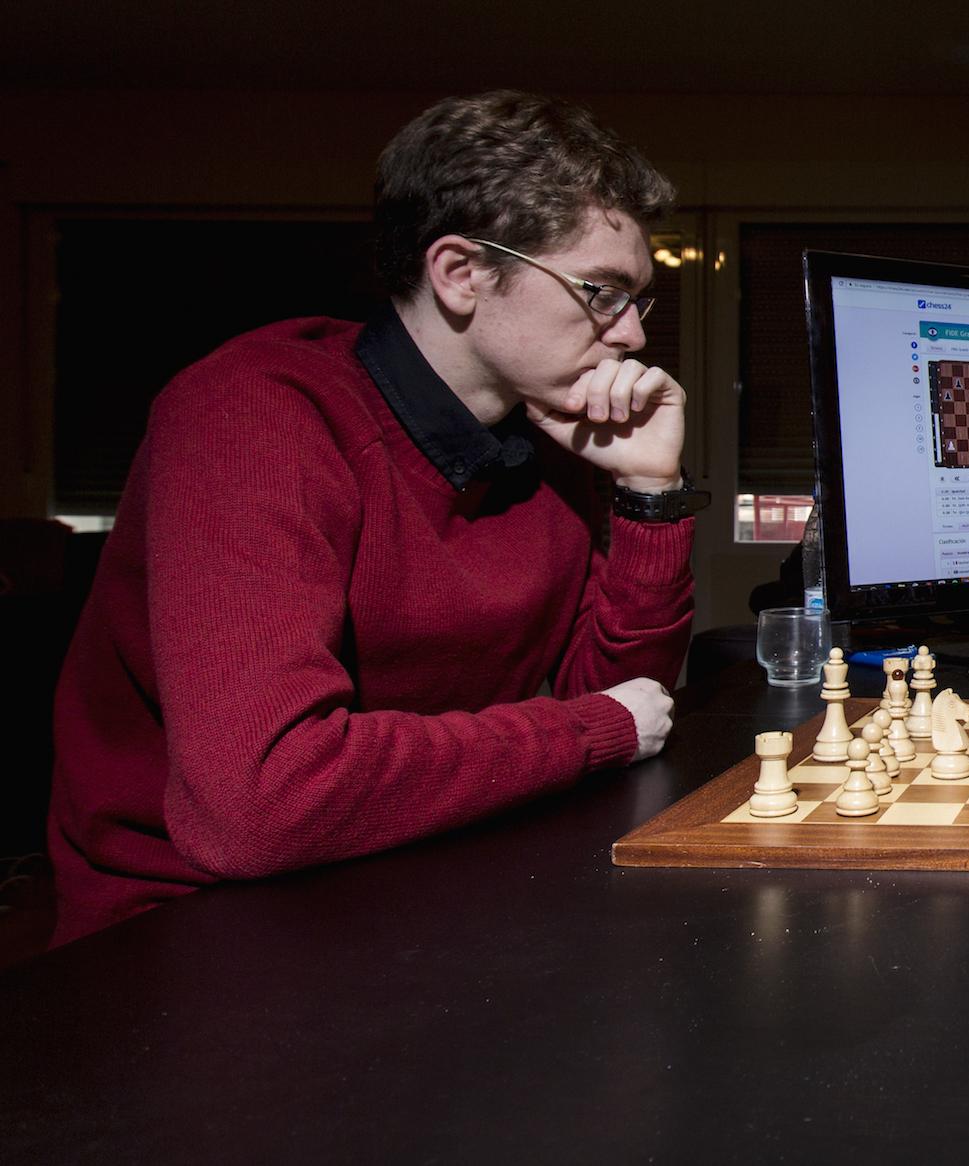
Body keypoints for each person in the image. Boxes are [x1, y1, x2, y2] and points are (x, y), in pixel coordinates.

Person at [46, 91, 701, 946]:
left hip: (417, 871)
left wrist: (650, 491)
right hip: (189, 931)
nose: (632, 339)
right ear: (461, 273)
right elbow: (258, 807)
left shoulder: (545, 439)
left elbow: (626, 706)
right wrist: (595, 730)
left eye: (636, 301)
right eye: (601, 293)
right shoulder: (251, 418)